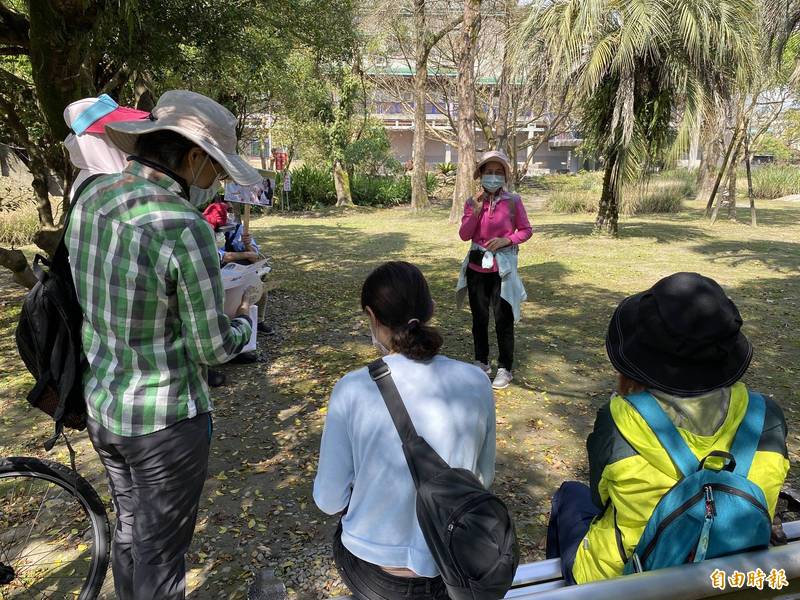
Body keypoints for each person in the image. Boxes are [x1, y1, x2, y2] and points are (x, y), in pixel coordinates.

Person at [66, 90, 261, 600]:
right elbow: (213, 348)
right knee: (160, 557)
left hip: (105, 405)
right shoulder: (182, 225)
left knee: (130, 534)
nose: (216, 184)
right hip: (165, 420)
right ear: (194, 158)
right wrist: (242, 316)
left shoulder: (93, 195)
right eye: (216, 171)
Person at [545, 272, 790, 585]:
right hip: (733, 575)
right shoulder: (767, 416)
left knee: (569, 495)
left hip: (629, 581)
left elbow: (599, 500)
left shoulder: (619, 419)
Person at [314, 261, 496, 600]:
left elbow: (328, 500)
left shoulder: (352, 388)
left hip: (375, 573)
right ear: (431, 309)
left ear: (371, 315)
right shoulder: (476, 381)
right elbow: (483, 478)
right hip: (452, 566)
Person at [456, 150, 532, 390]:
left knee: (503, 319)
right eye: (489, 172)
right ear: (480, 175)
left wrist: (507, 240)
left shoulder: (513, 201)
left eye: (498, 173)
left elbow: (526, 230)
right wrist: (475, 213)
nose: (493, 177)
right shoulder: (472, 202)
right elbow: (464, 235)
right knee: (479, 318)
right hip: (477, 268)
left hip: (503, 271)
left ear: (505, 177)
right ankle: (481, 362)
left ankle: (505, 368)